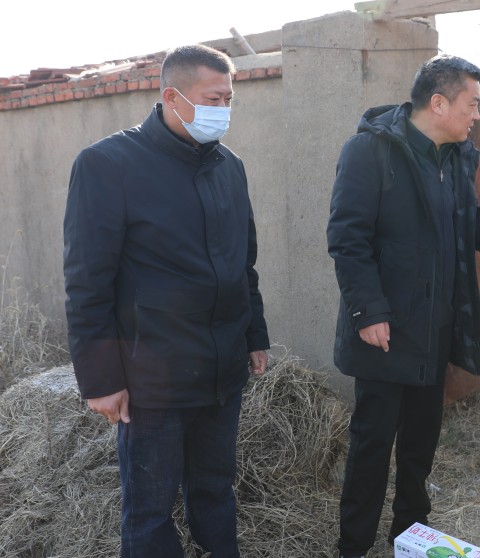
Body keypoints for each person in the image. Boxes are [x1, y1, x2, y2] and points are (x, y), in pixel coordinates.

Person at [326, 54, 480, 558]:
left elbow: (474, 225)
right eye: (471, 104)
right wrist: (369, 312)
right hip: (385, 330)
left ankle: (411, 537)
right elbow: (348, 240)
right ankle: (353, 545)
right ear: (438, 103)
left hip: (433, 330)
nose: (477, 114)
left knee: (420, 445)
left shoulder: (455, 157)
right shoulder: (369, 151)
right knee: (372, 445)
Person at [63, 44, 270, 558]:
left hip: (221, 370)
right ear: (172, 97)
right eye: (213, 99)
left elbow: (242, 264)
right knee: (150, 510)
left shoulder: (229, 167)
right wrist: (101, 380)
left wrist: (254, 336)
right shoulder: (108, 164)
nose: (223, 109)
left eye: (229, 99)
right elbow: (87, 282)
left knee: (216, 491)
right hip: (153, 377)